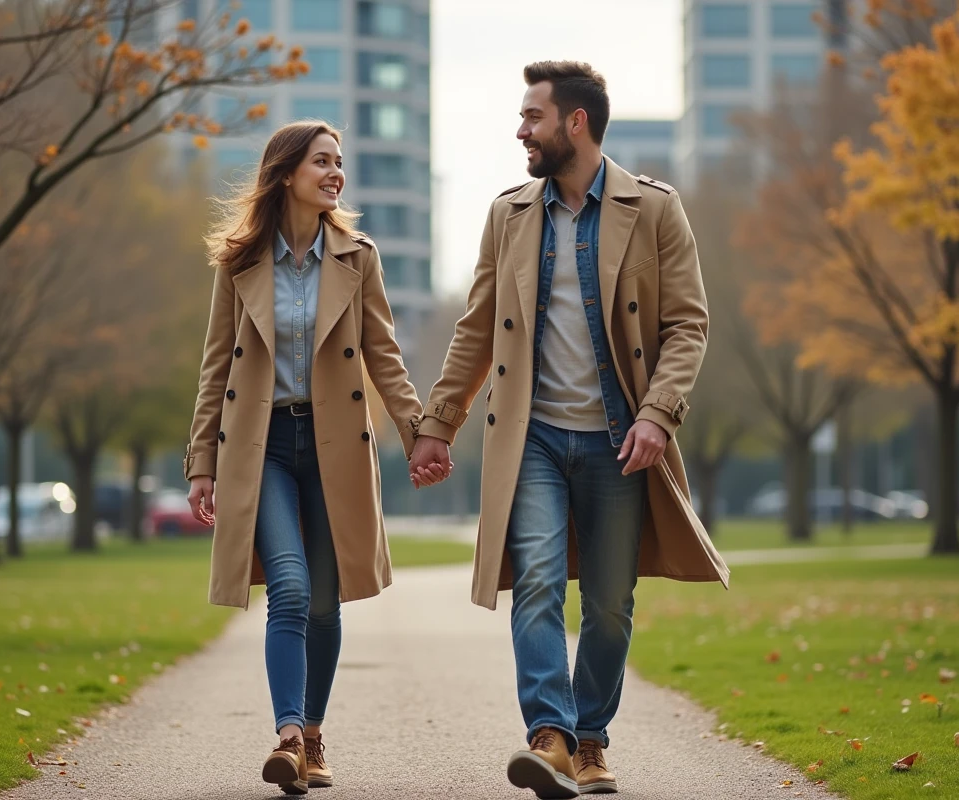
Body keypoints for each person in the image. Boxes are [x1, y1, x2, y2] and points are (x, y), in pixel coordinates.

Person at [409, 62, 729, 798]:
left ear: (574, 123)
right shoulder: (510, 213)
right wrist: (438, 423)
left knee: (611, 605)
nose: (521, 130)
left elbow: (688, 325)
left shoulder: (653, 209)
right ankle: (548, 734)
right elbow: (477, 329)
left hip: (619, 440)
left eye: (532, 117)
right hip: (534, 440)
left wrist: (657, 414)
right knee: (540, 583)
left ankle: (591, 741)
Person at [185, 120, 444, 795]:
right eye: (322, 162)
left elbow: (384, 355)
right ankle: (288, 734)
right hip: (261, 446)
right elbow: (217, 366)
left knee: (325, 604)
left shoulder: (358, 257)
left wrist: (419, 431)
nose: (336, 173)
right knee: (291, 590)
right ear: (287, 173)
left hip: (334, 446)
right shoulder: (240, 260)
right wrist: (201, 462)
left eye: (339, 163)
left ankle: (315, 737)